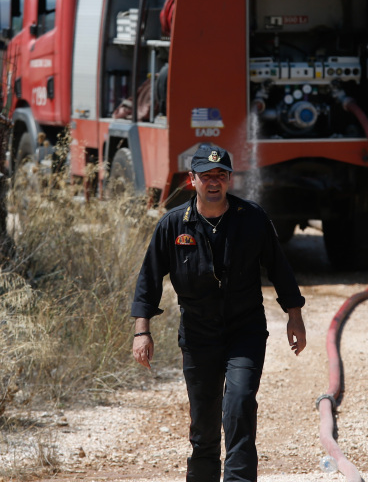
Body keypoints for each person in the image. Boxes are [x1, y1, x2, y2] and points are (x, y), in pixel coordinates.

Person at [130, 144, 306, 482]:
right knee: (204, 422)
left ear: (229, 179)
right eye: (207, 176)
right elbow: (149, 279)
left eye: (221, 175)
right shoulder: (172, 225)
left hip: (245, 331)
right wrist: (142, 331)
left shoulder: (251, 218)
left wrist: (294, 316)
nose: (214, 182)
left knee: (239, 404)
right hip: (198, 335)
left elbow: (280, 270)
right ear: (191, 179)